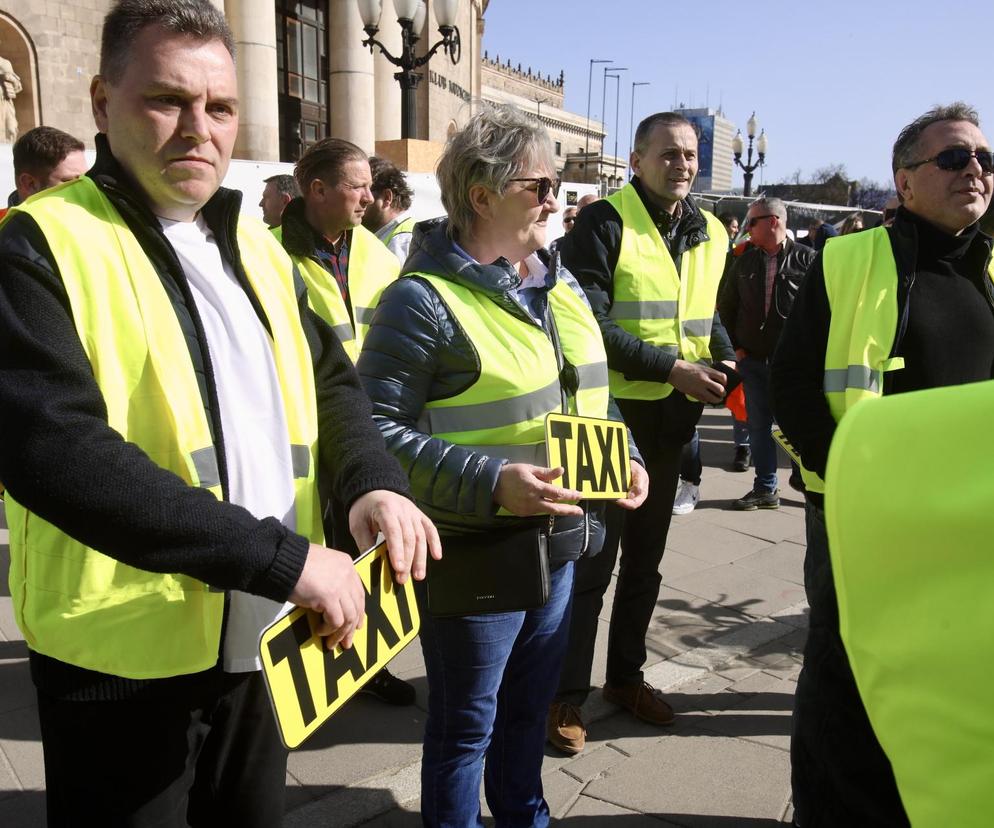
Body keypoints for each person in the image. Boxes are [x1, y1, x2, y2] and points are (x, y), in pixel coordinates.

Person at [0, 1, 440, 824]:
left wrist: (372, 484)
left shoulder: (253, 245)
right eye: (167, 100)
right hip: (121, 663)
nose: (198, 129)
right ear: (101, 104)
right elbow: (53, 453)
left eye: (222, 107)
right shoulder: (38, 243)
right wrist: (284, 559)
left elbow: (332, 385)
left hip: (266, 639)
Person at [357, 104, 648, 827]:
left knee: (527, 716)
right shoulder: (420, 302)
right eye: (539, 184)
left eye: (556, 183)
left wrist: (628, 454)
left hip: (562, 544)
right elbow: (370, 432)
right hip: (475, 551)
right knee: (466, 730)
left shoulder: (559, 283)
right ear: (481, 195)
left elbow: (589, 393)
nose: (556, 197)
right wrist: (492, 483)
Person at [771, 101, 993, 826]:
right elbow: (794, 387)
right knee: (847, 679)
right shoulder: (848, 259)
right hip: (864, 521)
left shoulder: (992, 266)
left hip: (969, 524)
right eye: (955, 158)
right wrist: (848, 488)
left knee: (955, 672)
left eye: (985, 160)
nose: (976, 171)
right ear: (903, 179)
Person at [549, 111, 735, 753]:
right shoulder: (604, 222)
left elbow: (711, 317)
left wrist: (727, 362)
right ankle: (563, 696)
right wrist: (674, 368)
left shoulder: (710, 229)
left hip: (672, 420)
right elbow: (587, 324)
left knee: (647, 563)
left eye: (689, 154)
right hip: (606, 416)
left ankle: (624, 679)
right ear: (636, 159)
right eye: (668, 153)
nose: (681, 164)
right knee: (591, 561)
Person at [718, 197, 815, 510]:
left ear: (773, 221)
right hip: (754, 361)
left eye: (752, 222)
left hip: (794, 365)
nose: (747, 229)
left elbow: (824, 311)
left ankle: (810, 480)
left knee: (797, 425)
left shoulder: (809, 260)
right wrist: (737, 348)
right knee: (758, 427)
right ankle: (765, 488)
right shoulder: (744, 261)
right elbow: (726, 306)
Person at [274, 138, 400, 361]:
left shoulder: (381, 256)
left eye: (369, 187)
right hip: (310, 394)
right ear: (319, 190)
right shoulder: (269, 253)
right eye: (358, 187)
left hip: (371, 392)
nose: (369, 198)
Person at [1, 126, 87, 218]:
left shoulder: (95, 220)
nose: (86, 189)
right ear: (30, 184)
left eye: (86, 179)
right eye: (70, 181)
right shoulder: (5, 227)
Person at [362, 155, 415, 263]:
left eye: (363, 192)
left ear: (387, 197)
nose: (356, 201)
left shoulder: (401, 241)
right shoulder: (392, 235)